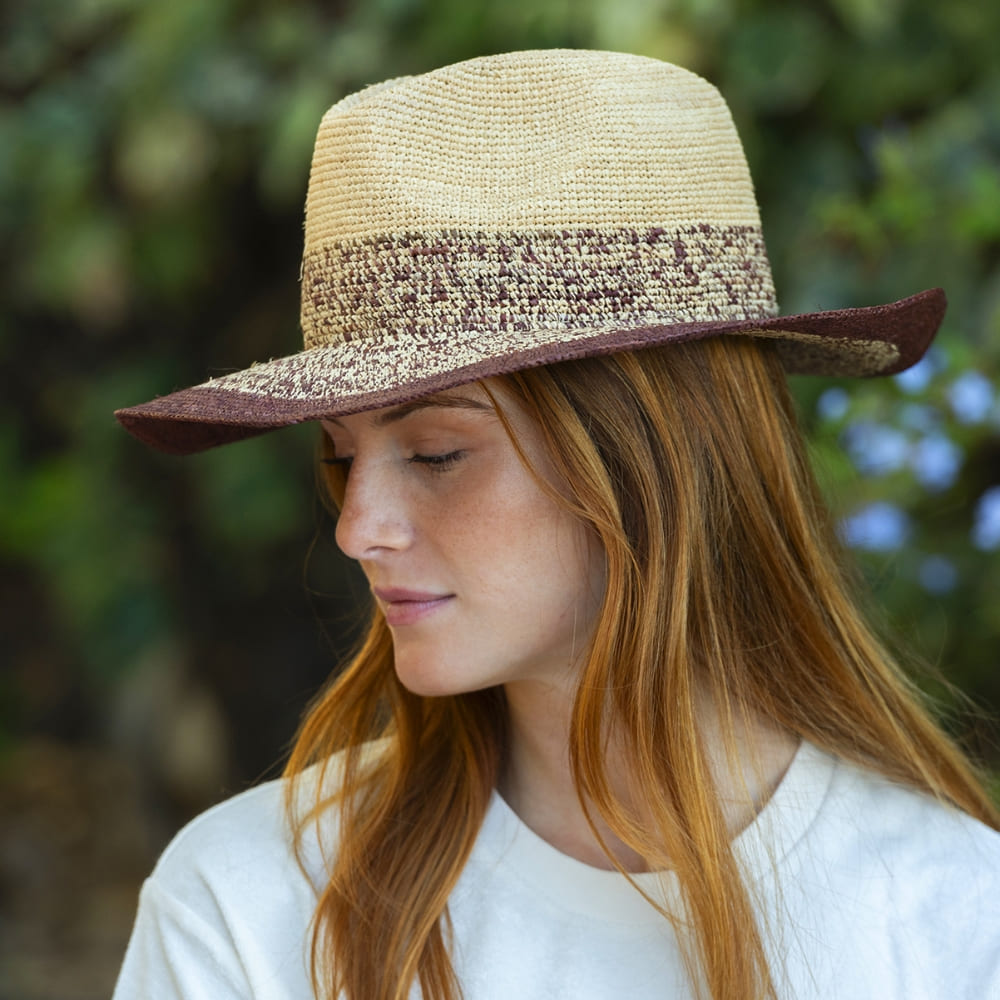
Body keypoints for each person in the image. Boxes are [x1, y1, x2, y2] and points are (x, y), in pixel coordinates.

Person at [112, 50, 1000, 1000]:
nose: (357, 528)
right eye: (339, 454)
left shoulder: (952, 921)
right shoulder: (247, 906)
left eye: (437, 453)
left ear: (658, 458)